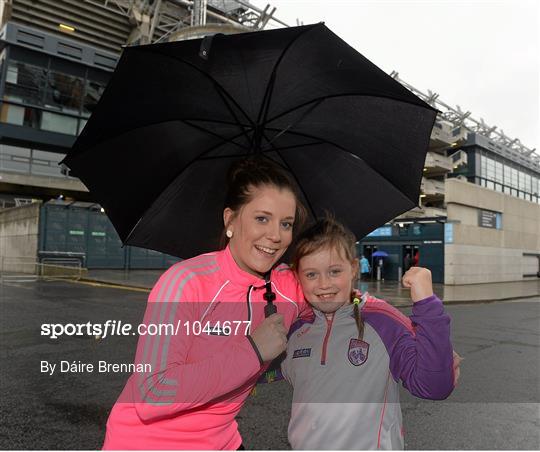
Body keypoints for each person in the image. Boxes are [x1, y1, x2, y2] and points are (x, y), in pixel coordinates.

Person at [102, 157, 312, 450]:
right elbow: (153, 393)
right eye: (262, 218)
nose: (276, 235)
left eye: (286, 223)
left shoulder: (288, 286)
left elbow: (344, 301)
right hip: (148, 442)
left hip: (221, 439)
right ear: (230, 220)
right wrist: (252, 350)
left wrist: (397, 284)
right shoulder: (186, 282)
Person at [281, 217, 456, 450]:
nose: (324, 284)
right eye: (311, 274)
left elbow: (435, 386)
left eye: (334, 271)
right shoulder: (296, 328)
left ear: (353, 268)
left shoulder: (383, 321)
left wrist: (426, 302)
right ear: (297, 276)